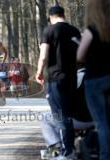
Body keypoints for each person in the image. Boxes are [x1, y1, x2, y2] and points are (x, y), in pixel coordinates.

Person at [35, 4, 81, 159]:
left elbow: (43, 55)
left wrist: (39, 72)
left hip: (55, 80)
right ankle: (61, 151)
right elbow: (81, 55)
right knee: (67, 113)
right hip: (72, 79)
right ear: (63, 14)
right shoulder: (75, 31)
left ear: (50, 16)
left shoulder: (49, 31)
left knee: (60, 116)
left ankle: (67, 152)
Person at [77, 0, 110, 159]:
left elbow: (80, 56)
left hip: (95, 80)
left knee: (101, 123)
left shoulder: (91, 30)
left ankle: (105, 155)